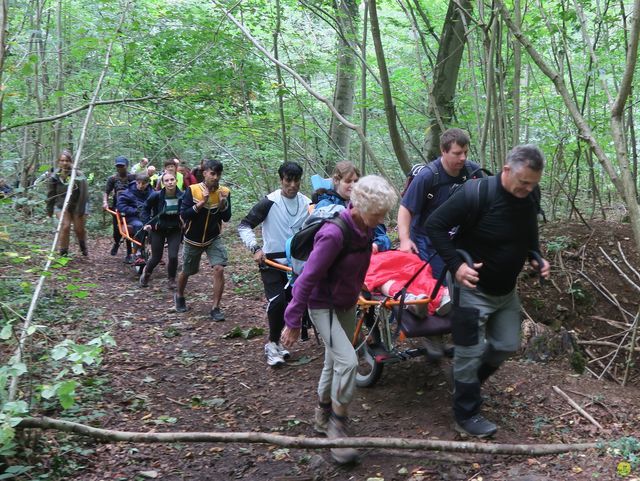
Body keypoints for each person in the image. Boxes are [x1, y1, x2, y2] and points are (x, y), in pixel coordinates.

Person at [425, 144, 550, 438]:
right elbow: (435, 226)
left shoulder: (531, 194)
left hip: (505, 291)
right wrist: (456, 266)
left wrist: (537, 256)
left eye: (533, 184)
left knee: (507, 343)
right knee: (469, 352)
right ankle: (465, 415)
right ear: (507, 170)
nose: (528, 189)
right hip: (471, 288)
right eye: (523, 183)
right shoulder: (476, 193)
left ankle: (465, 383)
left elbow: (529, 231)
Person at [281, 175, 397, 465]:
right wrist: (293, 320)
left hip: (346, 304)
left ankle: (322, 413)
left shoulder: (366, 230)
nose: (382, 218)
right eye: (378, 213)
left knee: (334, 363)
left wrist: (363, 289)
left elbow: (359, 265)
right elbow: (307, 279)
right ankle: (338, 423)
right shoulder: (333, 234)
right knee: (348, 362)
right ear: (360, 206)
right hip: (322, 306)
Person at [238, 161, 311, 367]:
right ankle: (271, 344)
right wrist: (255, 248)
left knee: (289, 304)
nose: (293, 184)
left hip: (296, 265)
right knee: (277, 301)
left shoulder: (307, 203)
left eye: (296, 180)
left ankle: (280, 342)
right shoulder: (269, 202)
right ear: (281, 180)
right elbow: (244, 225)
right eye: (289, 180)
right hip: (270, 262)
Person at [398, 128, 481, 279]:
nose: (463, 158)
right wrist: (404, 240)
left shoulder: (472, 171)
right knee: (439, 285)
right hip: (427, 242)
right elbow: (405, 208)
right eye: (457, 153)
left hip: (458, 239)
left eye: (465, 152)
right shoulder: (428, 176)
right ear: (443, 150)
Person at [176, 159, 231, 321]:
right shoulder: (192, 190)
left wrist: (222, 205)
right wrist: (201, 204)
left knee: (219, 268)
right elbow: (184, 214)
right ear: (204, 172)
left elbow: (227, 218)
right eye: (212, 173)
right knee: (187, 271)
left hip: (213, 238)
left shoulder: (224, 192)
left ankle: (215, 308)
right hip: (192, 239)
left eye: (218, 174)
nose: (215, 177)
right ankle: (179, 295)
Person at [313, 161, 391, 253]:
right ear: (336, 180)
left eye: (356, 181)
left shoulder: (363, 204)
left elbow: (383, 236)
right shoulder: (325, 205)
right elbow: (320, 240)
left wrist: (376, 245)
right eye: (348, 181)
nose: (353, 185)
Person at [139, 171, 183, 289]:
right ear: (163, 183)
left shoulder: (182, 195)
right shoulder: (156, 195)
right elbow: (145, 209)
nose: (170, 182)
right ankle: (146, 274)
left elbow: (188, 210)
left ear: (176, 181)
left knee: (173, 256)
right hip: (158, 229)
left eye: (172, 180)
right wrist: (146, 223)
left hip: (175, 229)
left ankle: (171, 279)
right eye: (167, 181)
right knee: (156, 257)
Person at [46, 150, 89, 257]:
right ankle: (63, 253)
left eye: (66, 160)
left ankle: (83, 247)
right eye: (62, 160)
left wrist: (80, 210)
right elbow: (51, 194)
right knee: (65, 226)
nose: (64, 163)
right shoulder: (54, 177)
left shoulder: (78, 175)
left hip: (77, 205)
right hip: (61, 206)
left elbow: (84, 194)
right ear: (58, 162)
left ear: (71, 161)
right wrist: (49, 210)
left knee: (79, 229)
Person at [116, 173, 153, 265]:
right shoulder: (128, 192)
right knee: (139, 226)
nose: (140, 185)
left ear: (148, 183)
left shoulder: (152, 193)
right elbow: (120, 206)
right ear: (136, 182)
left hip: (148, 217)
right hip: (132, 217)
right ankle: (137, 252)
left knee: (157, 225)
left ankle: (154, 252)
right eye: (138, 183)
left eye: (143, 183)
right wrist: (135, 210)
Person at [103, 156, 136, 258]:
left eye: (122, 166)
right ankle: (117, 243)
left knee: (129, 229)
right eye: (118, 166)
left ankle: (129, 253)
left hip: (130, 207)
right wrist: (105, 202)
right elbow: (106, 191)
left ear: (126, 166)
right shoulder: (112, 179)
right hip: (117, 207)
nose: (120, 168)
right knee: (117, 230)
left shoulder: (132, 177)